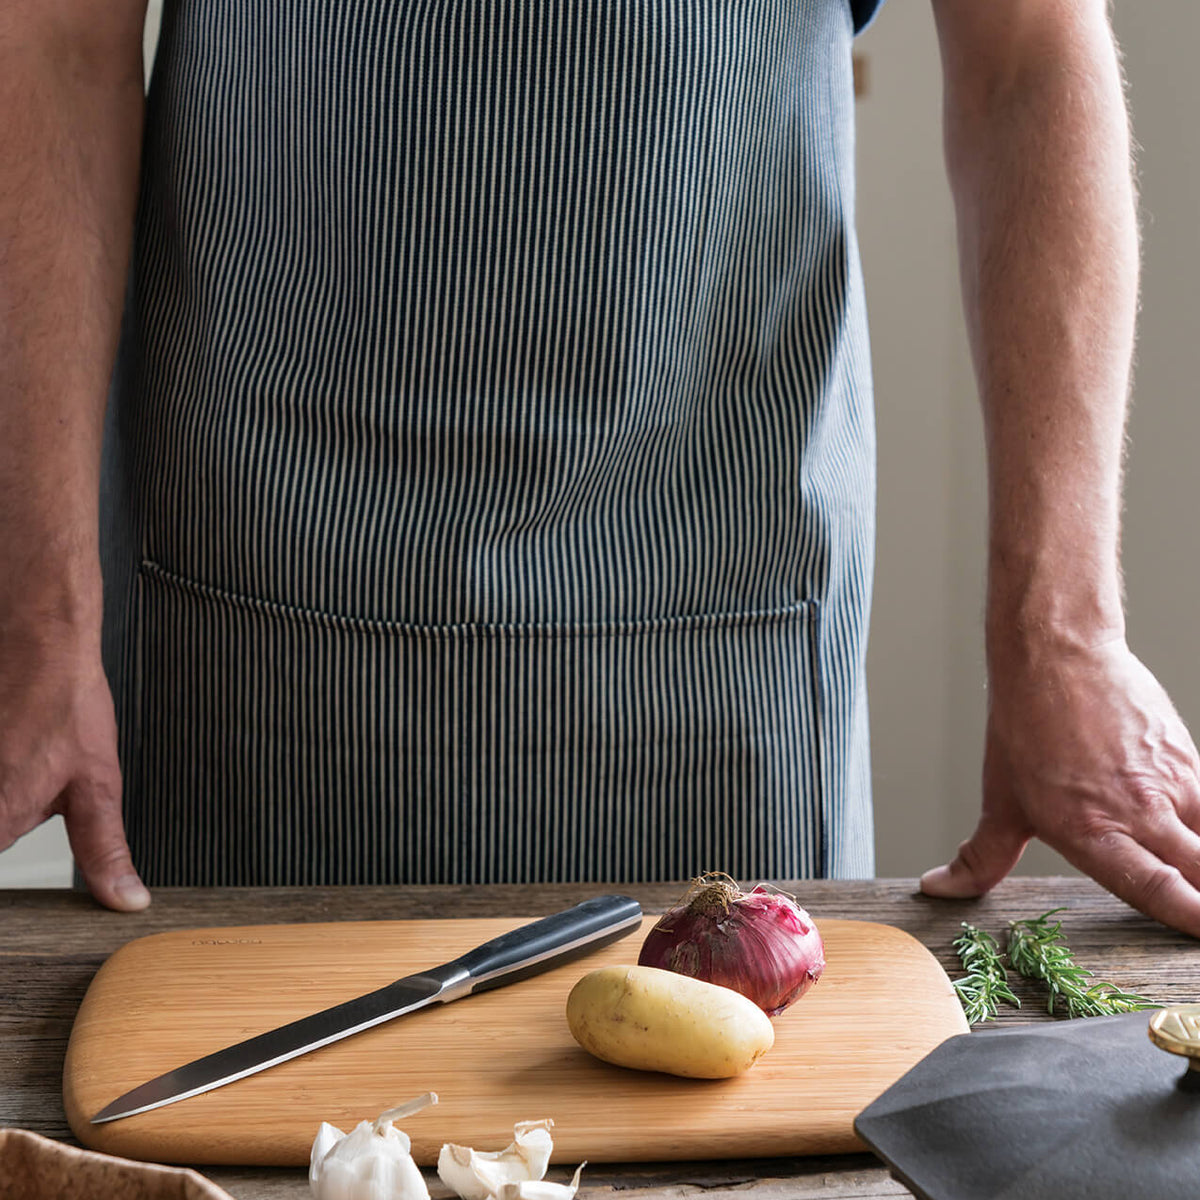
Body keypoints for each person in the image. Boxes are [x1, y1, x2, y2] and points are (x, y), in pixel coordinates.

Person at [3, 1, 1199, 930]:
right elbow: (55, 43)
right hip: (253, 609)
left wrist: (1063, 634)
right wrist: (40, 619)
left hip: (730, 615)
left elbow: (1029, 53)